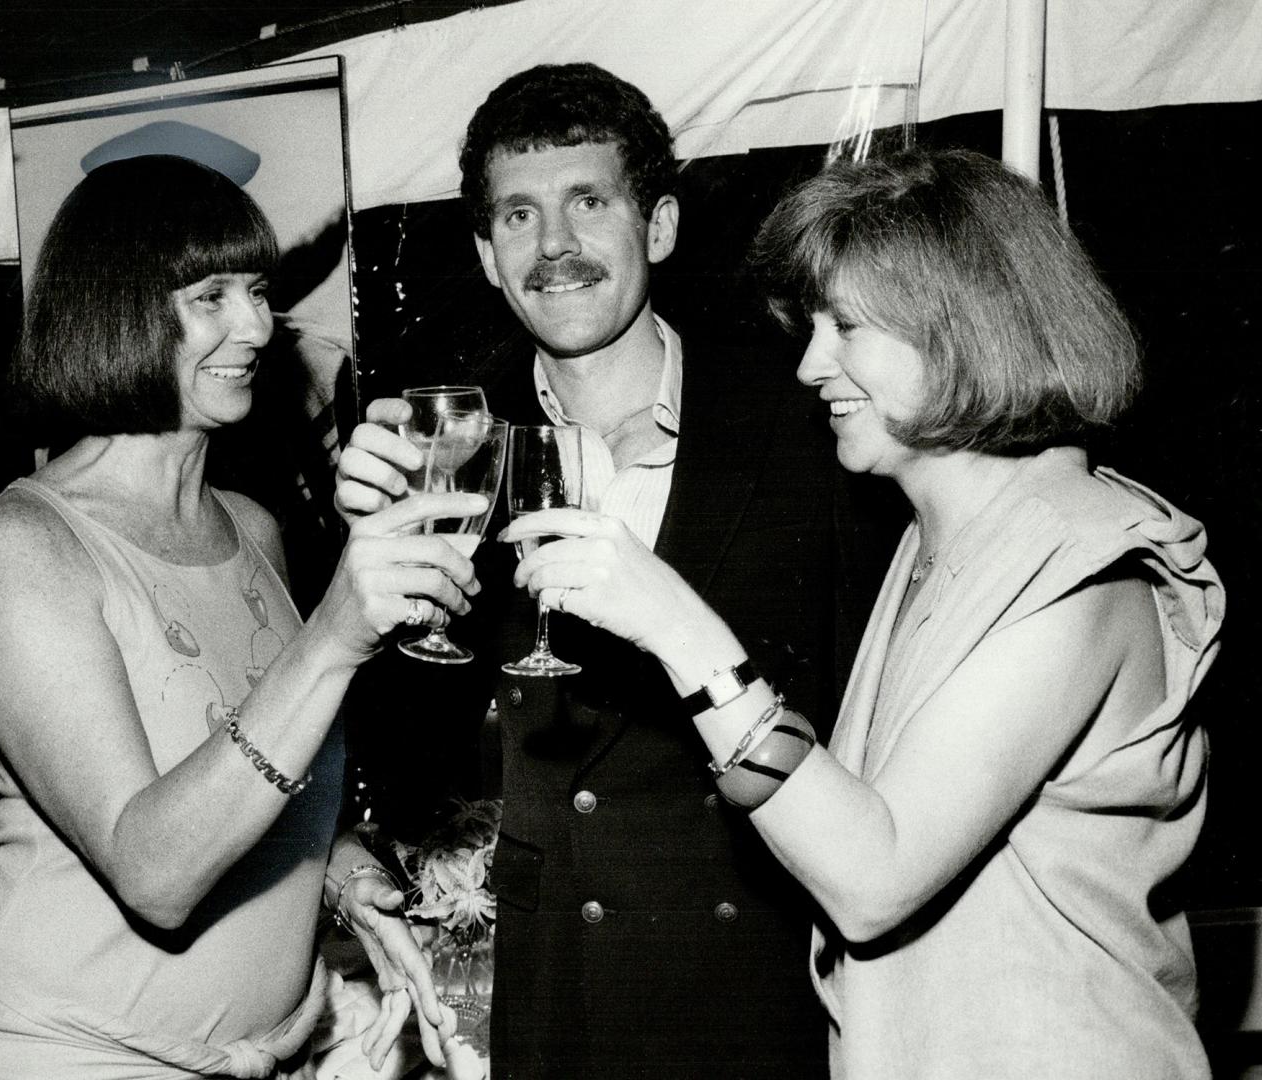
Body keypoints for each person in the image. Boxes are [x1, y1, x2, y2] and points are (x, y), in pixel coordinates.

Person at [513, 145, 1225, 1078]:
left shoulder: (1075, 561)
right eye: (812, 325)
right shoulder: (940, 542)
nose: (810, 365)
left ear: (964, 327)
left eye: (846, 326)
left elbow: (874, 879)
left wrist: (678, 626)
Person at [332, 63, 894, 1078]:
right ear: (486, 256)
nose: (553, 247)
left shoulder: (804, 423)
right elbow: (407, 752)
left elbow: (876, 712)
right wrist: (372, 576)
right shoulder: (446, 448)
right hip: (547, 1004)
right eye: (517, 216)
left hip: (753, 995)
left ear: (662, 227)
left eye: (588, 204)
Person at [0, 154, 482, 1078]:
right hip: (72, 1055)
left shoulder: (252, 528)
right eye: (212, 296)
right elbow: (154, 872)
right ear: (116, 310)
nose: (259, 325)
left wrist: (347, 880)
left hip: (260, 1052)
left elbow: (259, 775)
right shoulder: (26, 545)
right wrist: (335, 637)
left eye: (260, 291)